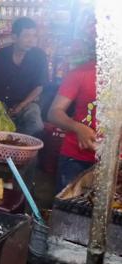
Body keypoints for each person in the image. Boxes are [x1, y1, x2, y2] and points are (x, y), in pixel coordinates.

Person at [0, 17, 48, 137]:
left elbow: (39, 87)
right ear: (14, 37)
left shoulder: (39, 57)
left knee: (36, 124)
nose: (31, 40)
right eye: (27, 36)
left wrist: (21, 105)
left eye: (34, 36)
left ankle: (18, 146)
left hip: (26, 102)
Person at [48, 16, 97, 192]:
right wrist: (78, 127)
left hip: (115, 163)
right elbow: (54, 112)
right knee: (69, 214)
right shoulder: (81, 73)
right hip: (76, 158)